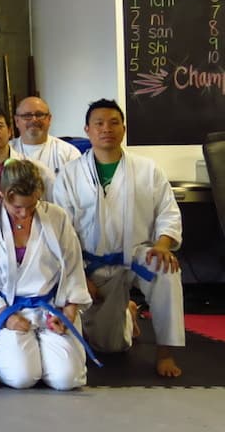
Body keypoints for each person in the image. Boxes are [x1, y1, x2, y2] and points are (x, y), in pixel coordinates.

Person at [52, 98, 184, 378]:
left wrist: (163, 245)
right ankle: (128, 312)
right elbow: (63, 231)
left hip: (137, 254)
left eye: (114, 123)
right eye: (99, 123)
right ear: (87, 130)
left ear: (123, 128)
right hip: (92, 264)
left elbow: (168, 212)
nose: (106, 129)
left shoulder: (148, 170)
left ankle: (165, 351)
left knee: (166, 270)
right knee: (110, 346)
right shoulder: (70, 174)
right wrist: (78, 275)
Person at [0, 159, 93, 391]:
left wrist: (69, 311)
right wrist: (5, 316)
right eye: (17, 208)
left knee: (66, 379)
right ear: (1, 193)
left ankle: (45, 354)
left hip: (50, 308)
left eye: (31, 206)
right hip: (5, 310)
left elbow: (72, 266)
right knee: (22, 377)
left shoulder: (57, 217)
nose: (24, 213)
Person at [12, 96, 82, 186]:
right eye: (27, 116)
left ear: (49, 119)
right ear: (17, 121)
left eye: (39, 115)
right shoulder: (7, 151)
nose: (34, 120)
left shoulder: (69, 153)